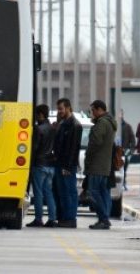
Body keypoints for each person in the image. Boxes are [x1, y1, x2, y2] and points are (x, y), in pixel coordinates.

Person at [85, 100, 117, 230]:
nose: (92, 113)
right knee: (103, 193)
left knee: (93, 193)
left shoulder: (102, 123)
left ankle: (103, 218)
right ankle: (104, 219)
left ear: (99, 110)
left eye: (93, 111)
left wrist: (88, 156)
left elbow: (95, 142)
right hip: (104, 165)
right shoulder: (108, 122)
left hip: (97, 165)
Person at [52, 98, 83, 228]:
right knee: (61, 192)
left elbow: (73, 148)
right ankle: (64, 217)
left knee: (69, 192)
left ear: (68, 107)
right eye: (58, 109)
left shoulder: (75, 125)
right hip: (59, 163)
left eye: (61, 109)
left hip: (67, 165)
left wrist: (68, 166)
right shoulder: (63, 123)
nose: (59, 111)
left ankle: (70, 219)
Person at [27, 104, 57, 228]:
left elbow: (35, 148)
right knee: (48, 192)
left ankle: (38, 219)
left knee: (38, 193)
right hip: (51, 165)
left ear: (40, 114)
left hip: (39, 164)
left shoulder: (38, 129)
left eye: (36, 114)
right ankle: (52, 219)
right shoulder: (53, 128)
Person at [120, 111, 136, 190]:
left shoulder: (127, 126)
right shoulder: (113, 125)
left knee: (124, 168)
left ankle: (124, 183)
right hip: (115, 151)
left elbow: (132, 138)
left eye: (121, 113)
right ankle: (120, 183)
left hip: (125, 150)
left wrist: (131, 150)